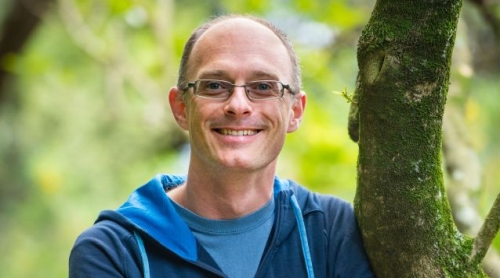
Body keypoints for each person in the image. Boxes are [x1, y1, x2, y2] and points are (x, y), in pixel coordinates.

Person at [69, 14, 373, 278]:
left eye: (263, 87)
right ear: (181, 108)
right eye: (214, 86)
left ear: (295, 111)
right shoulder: (114, 251)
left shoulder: (330, 230)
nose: (238, 105)